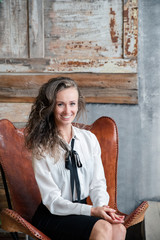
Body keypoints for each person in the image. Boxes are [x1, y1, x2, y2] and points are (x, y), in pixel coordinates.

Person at [25, 77, 126, 240]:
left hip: (82, 209)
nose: (67, 111)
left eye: (72, 103)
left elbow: (97, 184)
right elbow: (52, 201)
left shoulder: (89, 139)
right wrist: (92, 211)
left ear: (78, 105)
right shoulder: (41, 146)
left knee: (119, 229)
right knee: (103, 229)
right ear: (50, 106)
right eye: (60, 104)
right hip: (52, 214)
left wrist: (102, 208)